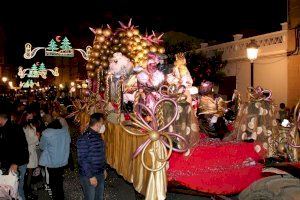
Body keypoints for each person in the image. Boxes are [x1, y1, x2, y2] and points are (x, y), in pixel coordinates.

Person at [39, 114, 70, 200]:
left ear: (45, 123)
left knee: (52, 181)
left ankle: (55, 196)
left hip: (51, 161)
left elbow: (42, 147)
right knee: (59, 180)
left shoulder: (46, 133)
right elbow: (68, 142)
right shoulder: (65, 130)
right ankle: (61, 197)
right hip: (62, 160)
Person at [0, 110, 29, 200]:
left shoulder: (12, 128)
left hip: (17, 164)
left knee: (17, 191)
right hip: (13, 163)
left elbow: (20, 146)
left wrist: (15, 163)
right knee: (11, 190)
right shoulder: (5, 128)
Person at [77, 113, 106, 200]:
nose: (103, 125)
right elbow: (82, 160)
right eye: (102, 123)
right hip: (89, 175)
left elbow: (101, 154)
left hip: (99, 173)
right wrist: (90, 176)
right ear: (98, 124)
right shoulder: (84, 138)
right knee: (90, 197)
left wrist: (103, 169)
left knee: (99, 197)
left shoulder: (98, 136)